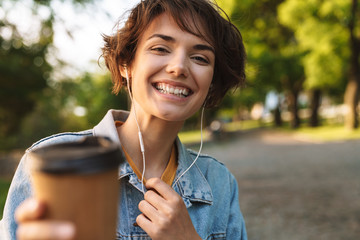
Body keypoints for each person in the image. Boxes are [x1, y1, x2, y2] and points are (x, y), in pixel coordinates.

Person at [0, 0, 247, 239]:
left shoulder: (220, 182)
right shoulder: (48, 161)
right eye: (160, 48)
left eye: (200, 58)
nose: (179, 67)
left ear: (211, 82)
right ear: (125, 63)